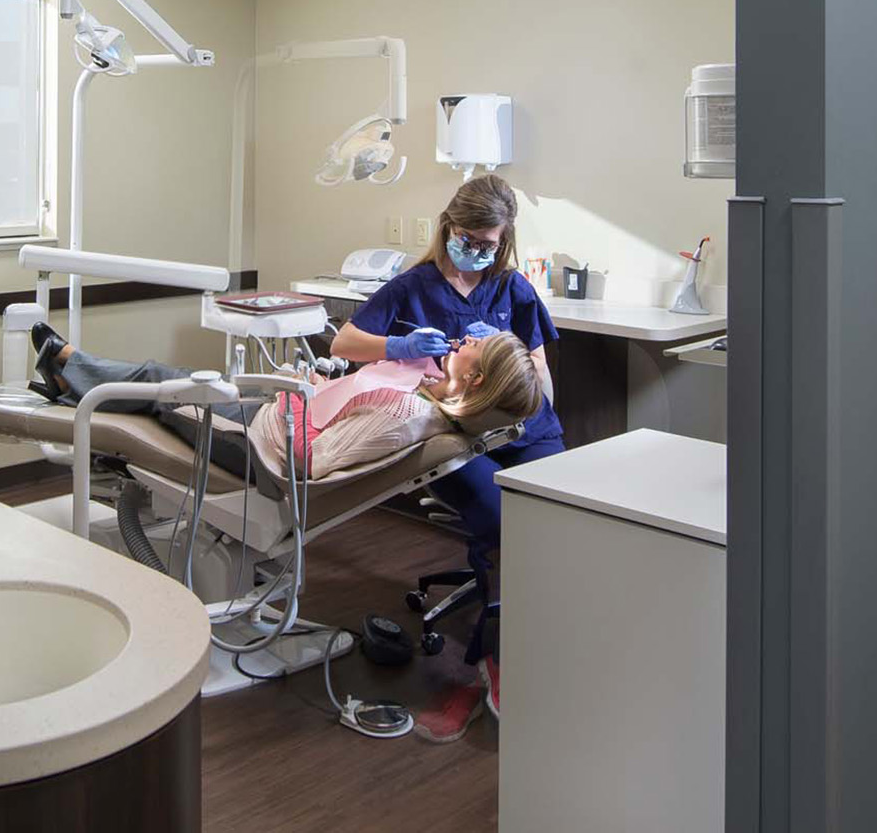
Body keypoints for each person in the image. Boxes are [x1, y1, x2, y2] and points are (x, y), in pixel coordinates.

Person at [328, 172, 566, 727]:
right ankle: (498, 655)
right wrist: (398, 344)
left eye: (490, 244)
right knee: (504, 521)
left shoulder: (512, 290)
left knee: (559, 518)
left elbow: (541, 374)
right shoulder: (413, 287)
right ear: (448, 228)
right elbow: (344, 342)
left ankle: (559, 644)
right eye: (469, 239)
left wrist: (505, 361)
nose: (478, 251)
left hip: (527, 429)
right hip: (455, 438)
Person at [29, 325, 544, 486]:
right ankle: (70, 372)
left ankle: (68, 370)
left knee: (162, 388)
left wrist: (294, 399)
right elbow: (339, 416)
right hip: (271, 420)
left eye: (475, 345)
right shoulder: (426, 391)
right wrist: (309, 386)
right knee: (171, 378)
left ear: (474, 376)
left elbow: (313, 462)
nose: (463, 341)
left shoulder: (405, 415)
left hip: (261, 449)